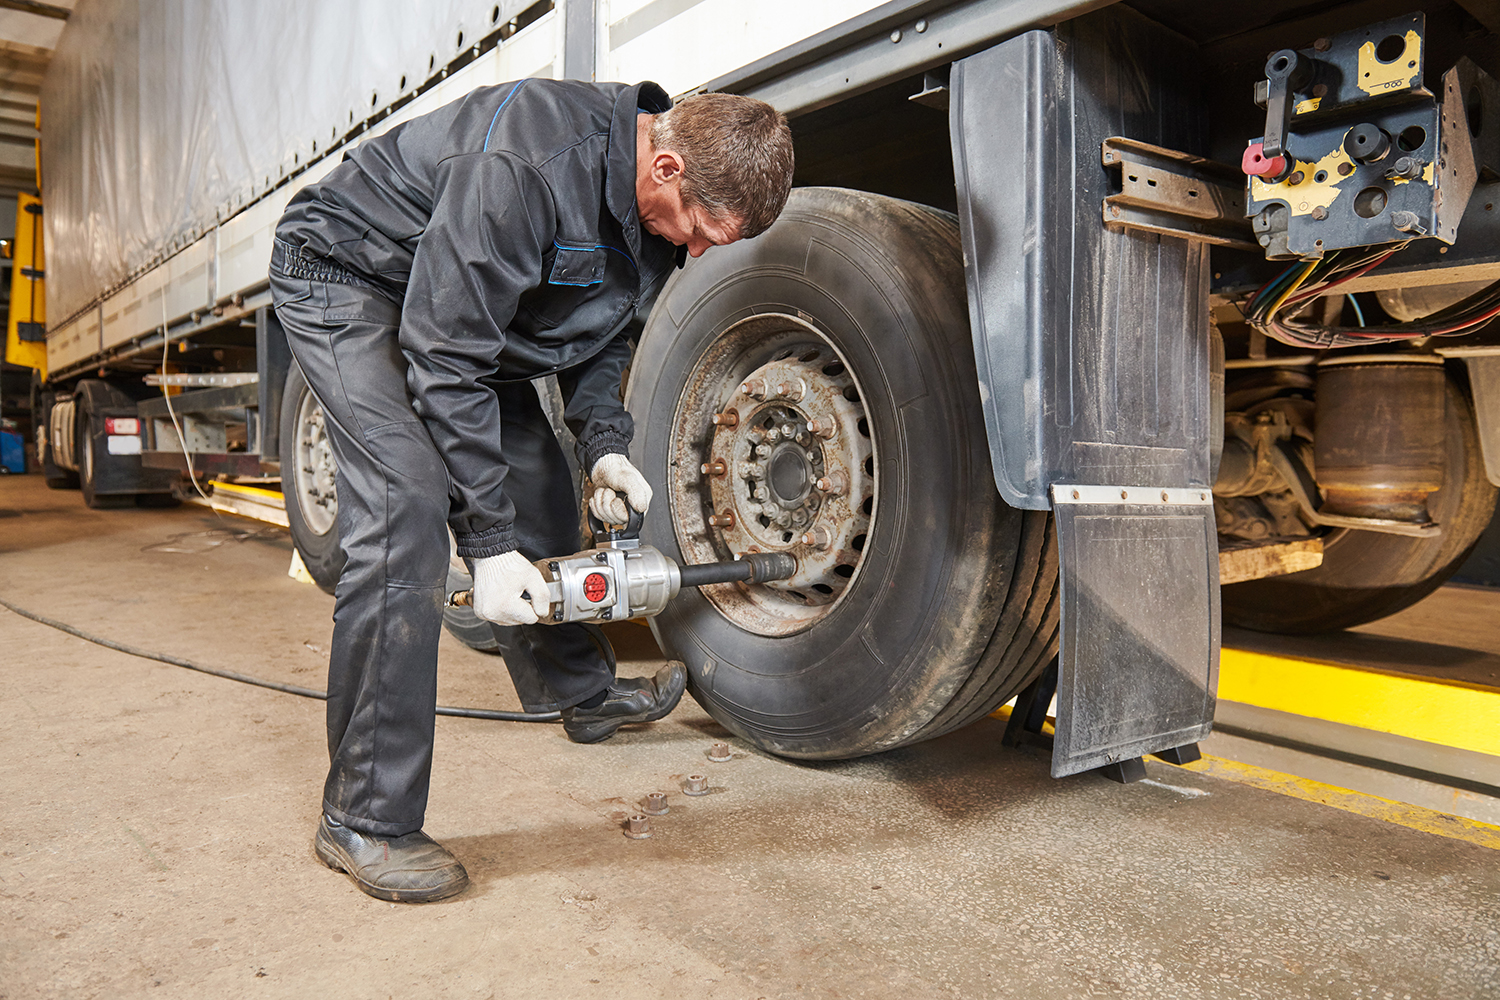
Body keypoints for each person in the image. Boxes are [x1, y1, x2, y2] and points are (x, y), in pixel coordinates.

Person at [268, 78, 794, 903]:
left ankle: (576, 693)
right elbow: (443, 356)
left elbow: (598, 334)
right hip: (348, 276)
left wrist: (605, 449)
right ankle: (363, 818)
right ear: (664, 167)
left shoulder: (650, 205)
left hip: (467, 309)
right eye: (699, 233)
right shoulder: (525, 166)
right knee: (404, 503)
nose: (695, 251)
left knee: (539, 476)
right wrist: (483, 546)